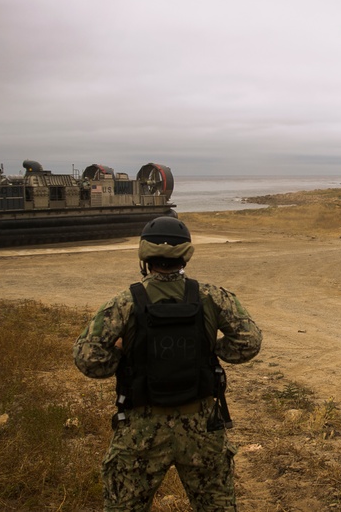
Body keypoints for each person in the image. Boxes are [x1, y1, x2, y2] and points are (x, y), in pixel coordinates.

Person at [74, 216, 262, 511]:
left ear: (145, 257)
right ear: (186, 255)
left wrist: (123, 352)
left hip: (141, 429)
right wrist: (210, 346)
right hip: (202, 427)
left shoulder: (124, 302)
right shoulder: (211, 296)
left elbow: (88, 360)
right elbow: (249, 342)